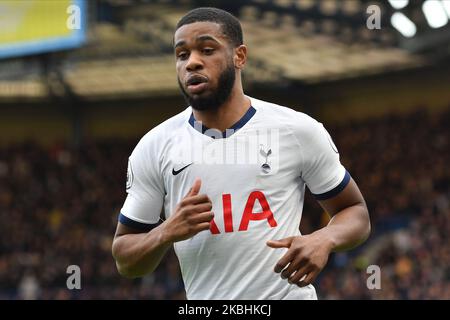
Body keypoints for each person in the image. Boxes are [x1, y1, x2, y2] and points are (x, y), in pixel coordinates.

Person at [111, 7, 371, 300]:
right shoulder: (155, 146)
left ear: (240, 56)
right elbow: (125, 259)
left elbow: (355, 212)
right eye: (182, 55)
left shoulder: (296, 130)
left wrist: (325, 238)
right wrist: (165, 232)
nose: (192, 62)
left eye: (207, 50)